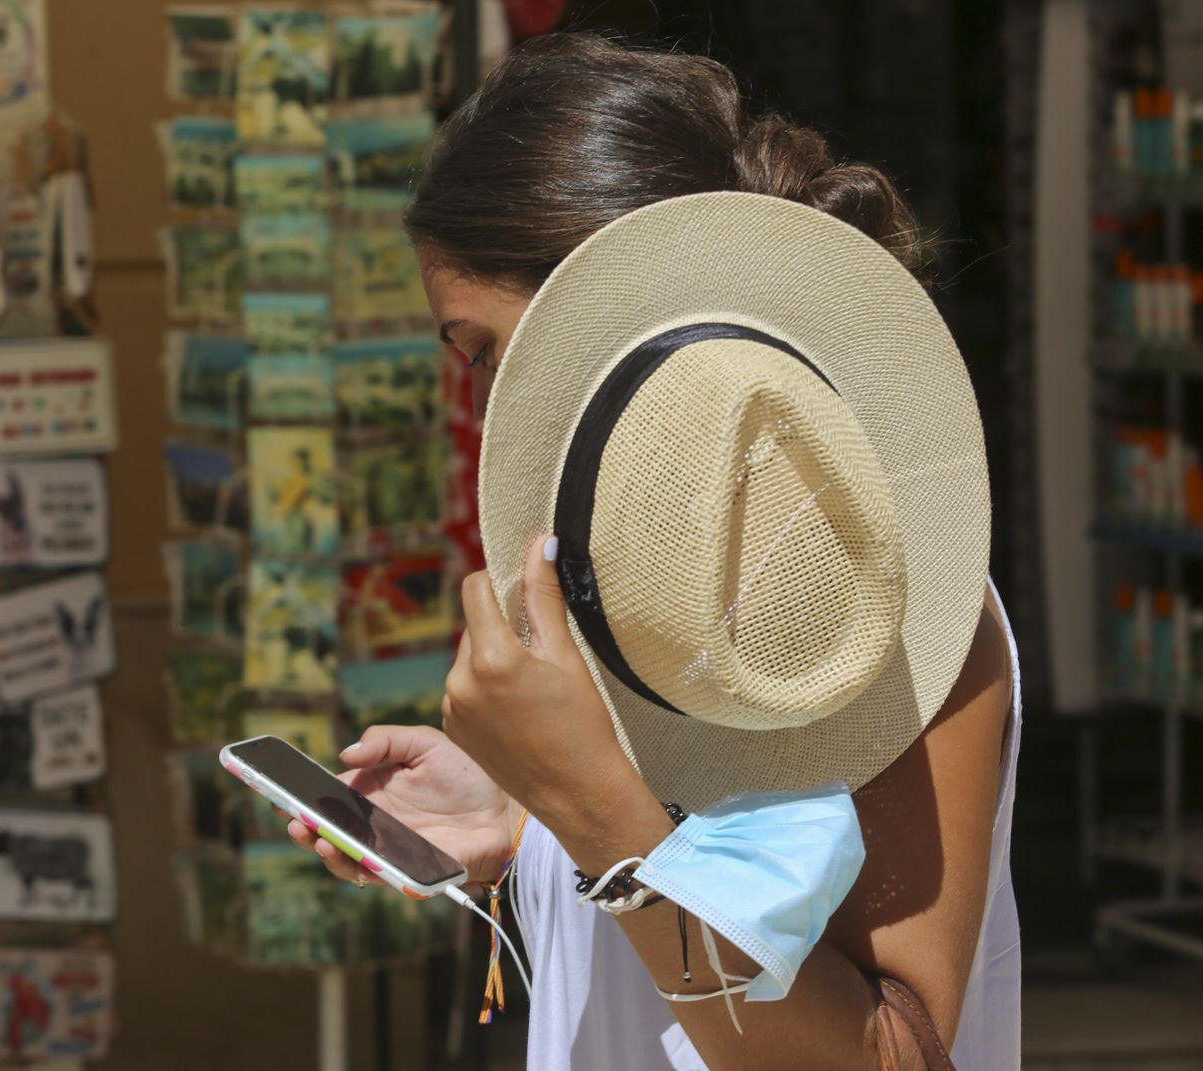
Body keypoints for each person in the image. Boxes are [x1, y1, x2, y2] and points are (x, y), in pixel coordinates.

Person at [289, 34, 1020, 1070]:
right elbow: (694, 841)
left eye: (486, 352)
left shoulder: (871, 619)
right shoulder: (624, 600)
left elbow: (890, 1055)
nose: (489, 407)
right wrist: (520, 814)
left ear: (598, 328)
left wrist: (591, 809)